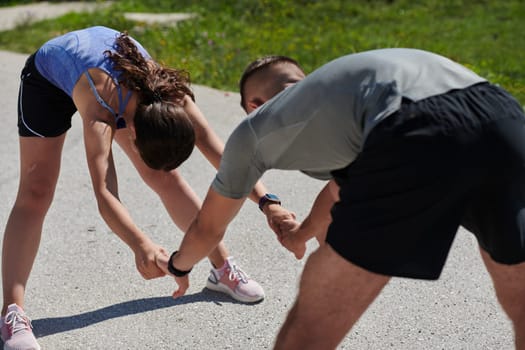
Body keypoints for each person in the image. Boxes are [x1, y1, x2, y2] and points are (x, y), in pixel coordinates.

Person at [160, 48, 525, 349]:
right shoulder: (343, 89)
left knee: (307, 334)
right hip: (505, 116)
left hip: (414, 126)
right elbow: (341, 187)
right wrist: (301, 233)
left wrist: (178, 266)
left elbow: (208, 228)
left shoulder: (255, 128)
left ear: (254, 105)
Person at [0, 26, 292, 350]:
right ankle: (12, 311)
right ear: (132, 131)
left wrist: (268, 202)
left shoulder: (174, 96)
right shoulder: (101, 107)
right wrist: (142, 245)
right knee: (36, 192)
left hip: (124, 88)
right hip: (49, 82)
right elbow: (104, 192)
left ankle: (221, 268)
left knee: (165, 177)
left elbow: (228, 158)